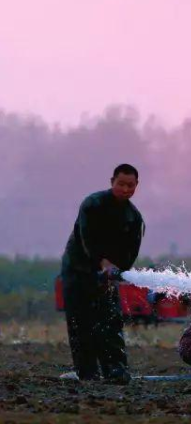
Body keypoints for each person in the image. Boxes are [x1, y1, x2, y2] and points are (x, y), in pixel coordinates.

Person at [60, 164, 145, 383]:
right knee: (81, 322)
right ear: (112, 182)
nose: (126, 189)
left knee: (110, 320)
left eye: (131, 185)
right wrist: (102, 262)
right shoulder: (92, 204)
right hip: (78, 269)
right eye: (121, 184)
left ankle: (115, 370)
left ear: (136, 186)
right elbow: (87, 239)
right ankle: (87, 373)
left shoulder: (134, 218)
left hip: (108, 276)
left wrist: (116, 273)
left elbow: (130, 254)